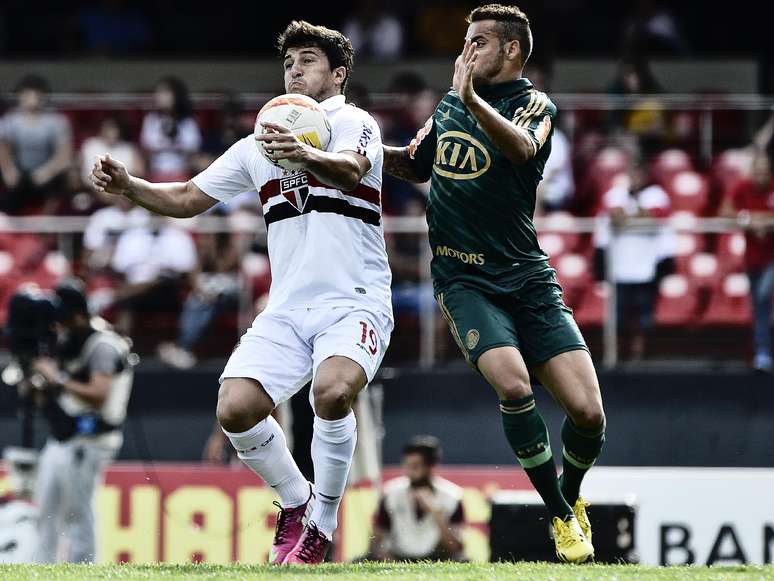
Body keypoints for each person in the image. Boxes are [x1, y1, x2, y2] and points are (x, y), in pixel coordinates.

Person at [90, 20, 393, 565]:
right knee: (236, 407)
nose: (294, 69)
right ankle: (296, 501)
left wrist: (303, 154)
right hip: (287, 307)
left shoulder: (354, 122)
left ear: (338, 74)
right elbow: (186, 197)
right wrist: (130, 186)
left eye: (307, 60)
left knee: (332, 390)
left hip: (355, 298)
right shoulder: (260, 142)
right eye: (289, 62)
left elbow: (351, 171)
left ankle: (322, 525)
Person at [382, 4, 604, 563]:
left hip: (528, 279)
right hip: (464, 280)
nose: (467, 52)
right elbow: (415, 163)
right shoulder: (451, 102)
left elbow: (522, 149)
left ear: (511, 51)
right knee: (514, 386)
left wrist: (474, 102)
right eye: (465, 42)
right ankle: (559, 516)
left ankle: (566, 501)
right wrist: (346, 153)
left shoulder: (536, 107)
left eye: (478, 42)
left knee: (589, 414)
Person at [29, 280, 134, 563]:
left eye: (63, 320)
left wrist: (57, 379)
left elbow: (100, 394)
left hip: (92, 438)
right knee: (46, 509)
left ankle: (84, 567)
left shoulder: (103, 344)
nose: (58, 327)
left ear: (77, 315)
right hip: (63, 437)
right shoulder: (70, 341)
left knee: (79, 511)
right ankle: (41, 567)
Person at [595, 160, 674, 361]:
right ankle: (618, 354)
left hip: (646, 266)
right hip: (620, 267)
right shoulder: (615, 194)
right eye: (632, 174)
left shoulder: (657, 194)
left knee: (644, 317)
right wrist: (637, 217)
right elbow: (614, 216)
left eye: (639, 174)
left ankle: (639, 355)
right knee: (619, 316)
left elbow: (655, 216)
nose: (636, 178)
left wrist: (631, 217)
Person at [369, 436, 464, 561]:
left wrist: (435, 513)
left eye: (415, 466)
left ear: (430, 467)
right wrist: (392, 564)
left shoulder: (451, 496)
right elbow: (376, 542)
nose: (409, 471)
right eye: (406, 465)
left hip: (435, 559)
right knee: (360, 561)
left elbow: (455, 548)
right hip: (397, 557)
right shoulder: (391, 493)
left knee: (463, 560)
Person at [721, 152, 774, 373]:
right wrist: (749, 220)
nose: (760, 175)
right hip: (753, 258)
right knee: (759, 306)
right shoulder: (743, 187)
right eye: (757, 171)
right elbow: (726, 211)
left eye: (764, 171)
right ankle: (763, 353)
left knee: (763, 295)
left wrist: (768, 222)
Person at [0, 75, 73, 214]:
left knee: (65, 176)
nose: (32, 99)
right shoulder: (10, 120)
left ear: (43, 97)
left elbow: (64, 155)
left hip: (46, 174)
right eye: (27, 95)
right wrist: (9, 171)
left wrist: (47, 172)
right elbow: (3, 148)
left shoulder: (56, 121)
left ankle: (48, 221)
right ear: (20, 96)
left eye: (36, 95)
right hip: (18, 173)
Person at [139, 76, 202, 182]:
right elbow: (147, 146)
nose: (159, 97)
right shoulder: (151, 119)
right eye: (158, 93)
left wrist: (170, 143)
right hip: (157, 171)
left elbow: (193, 147)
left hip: (181, 172)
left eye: (165, 93)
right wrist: (172, 145)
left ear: (176, 95)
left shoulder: (188, 121)